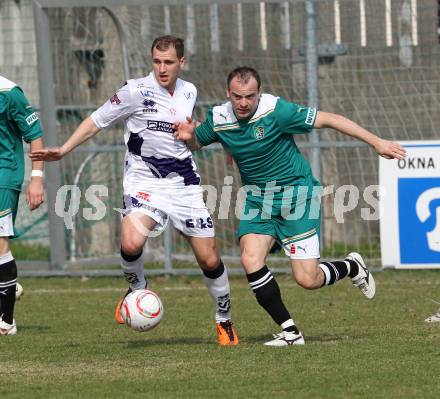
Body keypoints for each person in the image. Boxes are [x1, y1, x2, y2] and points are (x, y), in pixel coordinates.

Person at [174, 66, 406, 346]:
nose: (243, 103)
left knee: (308, 279)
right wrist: (190, 136)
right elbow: (200, 140)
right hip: (258, 201)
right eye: (237, 97)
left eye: (249, 96)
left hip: (297, 197)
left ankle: (352, 266)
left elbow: (330, 119)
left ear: (259, 93)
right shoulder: (219, 117)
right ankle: (291, 332)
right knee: (250, 259)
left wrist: (377, 142)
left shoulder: (277, 111)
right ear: (228, 94)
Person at [30, 36, 238, 346]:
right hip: (144, 181)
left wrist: (203, 138)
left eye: (168, 62)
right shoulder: (134, 91)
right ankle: (137, 288)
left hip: (183, 183)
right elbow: (96, 121)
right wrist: (64, 149)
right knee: (130, 241)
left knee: (208, 260)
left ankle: (224, 321)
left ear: (182, 62)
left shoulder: (189, 91)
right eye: (157, 61)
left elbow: (192, 137)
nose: (162, 68)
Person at [0, 75, 45, 336]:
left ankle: (7, 322)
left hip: (4, 175)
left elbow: (35, 136)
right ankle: (6, 284)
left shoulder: (9, 93)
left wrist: (36, 179)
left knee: (0, 244)